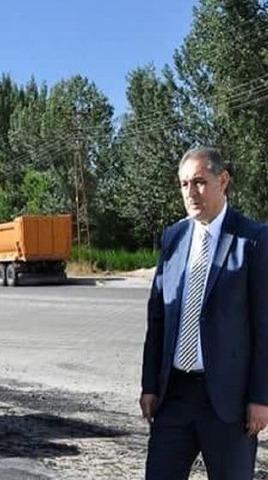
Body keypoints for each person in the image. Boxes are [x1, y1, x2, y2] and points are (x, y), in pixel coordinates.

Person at [140, 147, 268, 479]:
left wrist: (261, 397)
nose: (190, 192)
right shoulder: (174, 238)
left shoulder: (253, 240)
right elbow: (158, 319)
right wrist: (150, 385)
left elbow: (264, 326)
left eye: (199, 182)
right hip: (174, 396)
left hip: (228, 403)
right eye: (184, 184)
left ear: (222, 181)